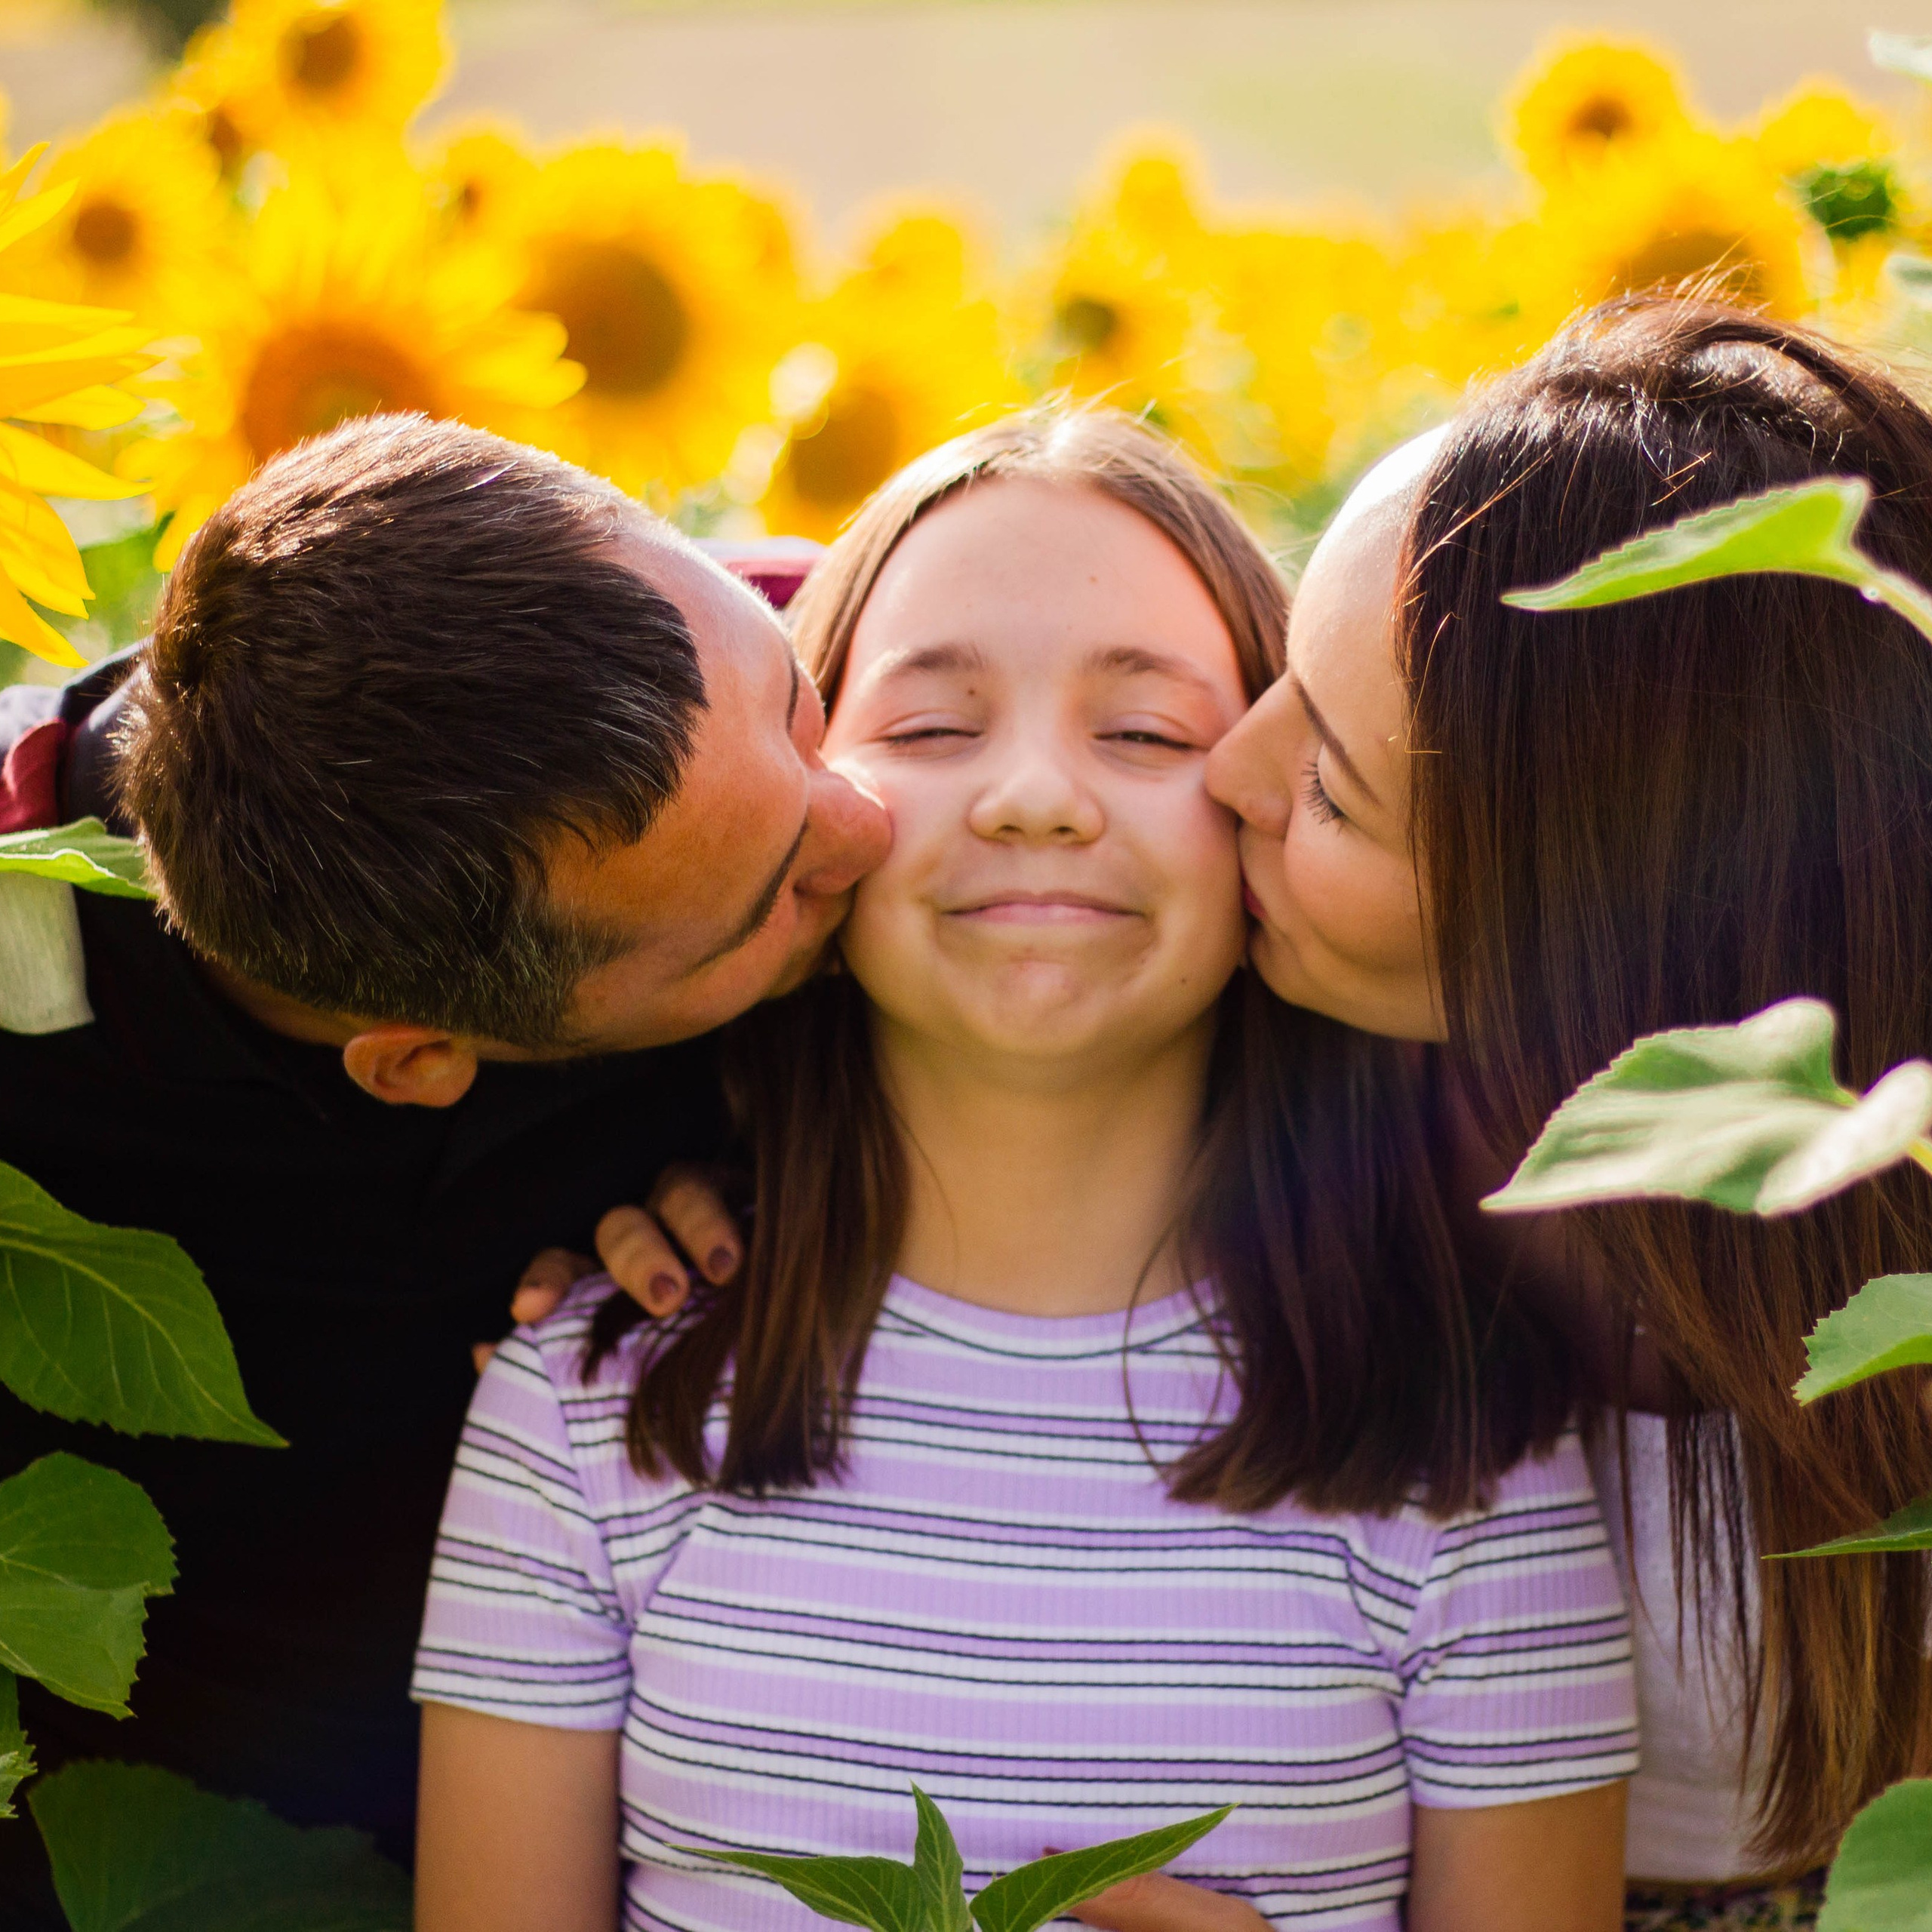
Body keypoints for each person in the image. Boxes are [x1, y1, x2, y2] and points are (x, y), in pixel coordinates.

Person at [411, 411, 1638, 1932]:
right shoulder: (585, 1409)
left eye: (1145, 734)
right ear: (807, 811)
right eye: (929, 728)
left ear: (1271, 792)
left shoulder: (1468, 1450)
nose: (1035, 794)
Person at [0, 413, 888, 1918]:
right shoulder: (24, 965)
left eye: (799, 709)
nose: (868, 812)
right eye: (770, 906)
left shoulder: (862, 629)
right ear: (420, 1058)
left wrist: (845, 1161)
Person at [1203, 297, 1932, 1922]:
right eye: (1278, 679)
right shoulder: (1249, 1099)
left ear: (1593, 943)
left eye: (1326, 785)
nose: (1223, 775)